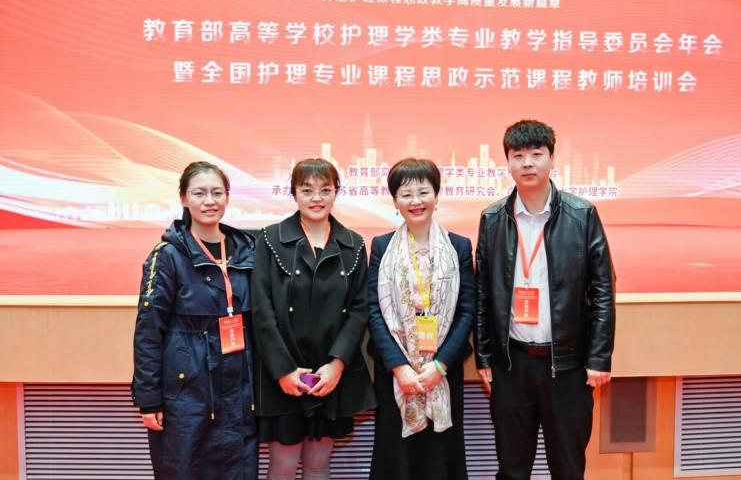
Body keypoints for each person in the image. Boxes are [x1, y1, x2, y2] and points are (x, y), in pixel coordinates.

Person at [475, 120, 616, 479]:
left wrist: (599, 358)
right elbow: (482, 294)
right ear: (507, 162)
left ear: (552, 159)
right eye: (518, 155)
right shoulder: (492, 219)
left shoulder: (582, 215)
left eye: (536, 154)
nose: (527, 163)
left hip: (567, 366)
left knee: (567, 468)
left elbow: (603, 288)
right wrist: (485, 357)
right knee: (512, 469)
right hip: (512, 365)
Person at [132, 161, 258, 479]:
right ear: (184, 199)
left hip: (239, 385)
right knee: (184, 469)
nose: (209, 201)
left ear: (227, 197)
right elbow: (148, 331)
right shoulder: (167, 255)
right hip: (187, 388)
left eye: (217, 193)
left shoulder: (248, 250)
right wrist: (149, 399)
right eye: (199, 193)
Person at [251, 158, 376, 480]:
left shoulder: (354, 244)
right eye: (307, 190)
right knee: (283, 465)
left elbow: (359, 310)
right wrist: (283, 371)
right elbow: (262, 310)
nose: (316, 198)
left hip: (329, 374)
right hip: (283, 373)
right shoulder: (270, 239)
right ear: (293, 193)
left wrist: (337, 365)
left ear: (336, 192)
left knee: (319, 465)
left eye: (325, 190)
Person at [367, 158, 476, 480]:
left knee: (441, 459)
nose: (416, 201)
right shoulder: (382, 246)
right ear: (395, 201)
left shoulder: (459, 246)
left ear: (436, 196)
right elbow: (374, 310)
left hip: (443, 371)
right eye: (406, 194)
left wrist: (439, 366)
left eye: (423, 192)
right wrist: (399, 367)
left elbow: (467, 310)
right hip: (396, 375)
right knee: (396, 459)